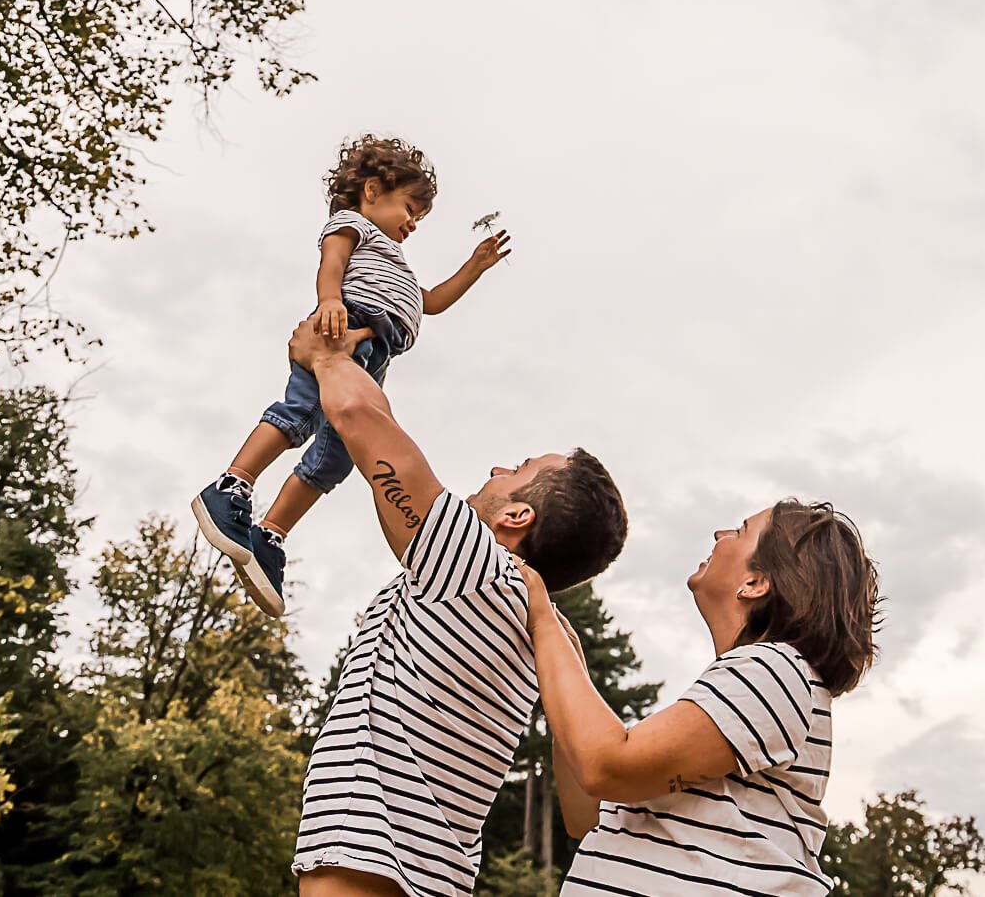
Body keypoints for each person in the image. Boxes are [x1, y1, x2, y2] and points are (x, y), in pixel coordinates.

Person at [284, 316, 628, 897]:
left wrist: (325, 357)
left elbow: (363, 423)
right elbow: (584, 814)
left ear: (515, 519)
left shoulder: (483, 570)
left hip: (371, 867)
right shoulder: (545, 628)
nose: (497, 469)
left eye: (519, 470)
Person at [192, 134, 511, 616]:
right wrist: (330, 302)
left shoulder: (396, 260)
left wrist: (475, 266)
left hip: (378, 352)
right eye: (409, 208)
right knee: (299, 414)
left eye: (418, 219)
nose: (412, 224)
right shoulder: (350, 226)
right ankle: (232, 484)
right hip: (344, 326)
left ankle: (270, 536)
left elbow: (433, 301)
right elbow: (332, 265)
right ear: (371, 190)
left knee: (339, 454)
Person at [518, 500, 880, 896]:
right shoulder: (750, 689)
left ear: (755, 583)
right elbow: (583, 813)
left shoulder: (775, 670)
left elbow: (605, 767)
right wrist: (566, 672)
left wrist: (542, 618)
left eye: (739, 532)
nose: (719, 535)